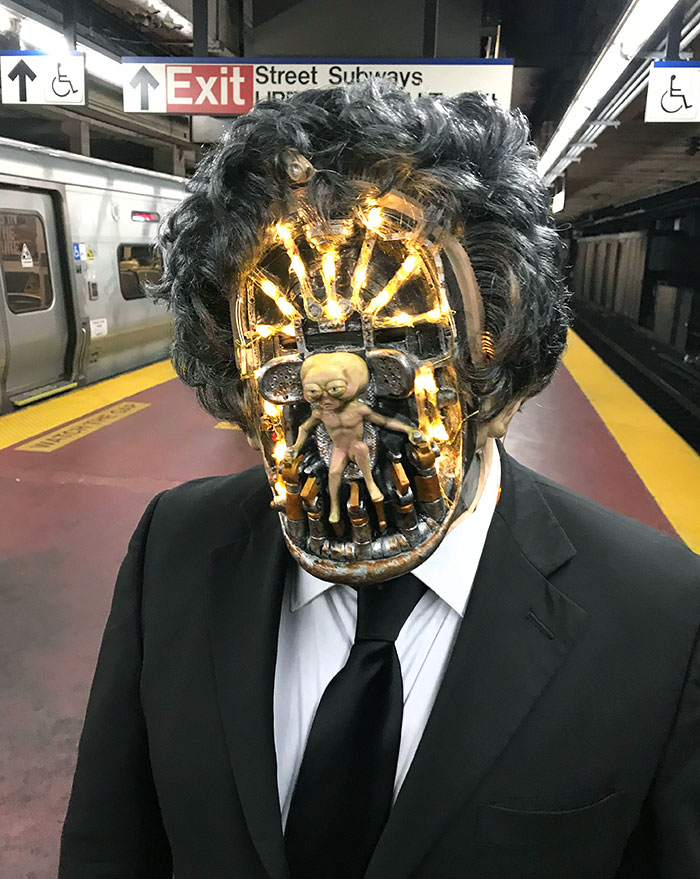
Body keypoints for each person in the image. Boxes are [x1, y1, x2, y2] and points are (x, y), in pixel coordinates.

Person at [59, 83, 700, 879]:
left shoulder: (664, 617)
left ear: (497, 355)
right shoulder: (174, 551)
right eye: (287, 366)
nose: (333, 422)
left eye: (399, 343)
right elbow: (111, 848)